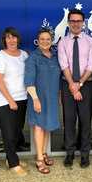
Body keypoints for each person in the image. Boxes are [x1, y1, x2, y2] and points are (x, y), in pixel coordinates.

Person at [58, 9, 92, 168]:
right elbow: (64, 64)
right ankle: (70, 152)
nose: (75, 24)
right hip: (67, 84)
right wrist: (72, 85)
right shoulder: (63, 42)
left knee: (85, 120)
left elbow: (91, 65)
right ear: (68, 23)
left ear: (83, 23)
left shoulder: (90, 41)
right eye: (72, 21)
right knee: (69, 119)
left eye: (78, 21)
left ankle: (85, 153)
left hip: (86, 84)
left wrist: (79, 84)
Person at [0, 27, 28, 176]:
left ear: (18, 39)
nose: (12, 40)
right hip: (5, 101)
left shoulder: (24, 55)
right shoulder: (0, 57)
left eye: (14, 37)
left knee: (16, 131)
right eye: (8, 37)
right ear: (4, 40)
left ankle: (11, 158)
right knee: (8, 133)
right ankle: (13, 163)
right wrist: (10, 100)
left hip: (22, 98)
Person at [24, 28, 61, 174]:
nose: (45, 41)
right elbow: (28, 82)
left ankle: (44, 153)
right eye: (42, 39)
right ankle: (39, 159)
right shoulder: (33, 58)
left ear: (51, 41)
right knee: (39, 127)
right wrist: (35, 99)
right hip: (38, 98)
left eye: (48, 39)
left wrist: (58, 96)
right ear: (37, 41)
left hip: (51, 98)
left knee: (47, 126)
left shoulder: (55, 57)